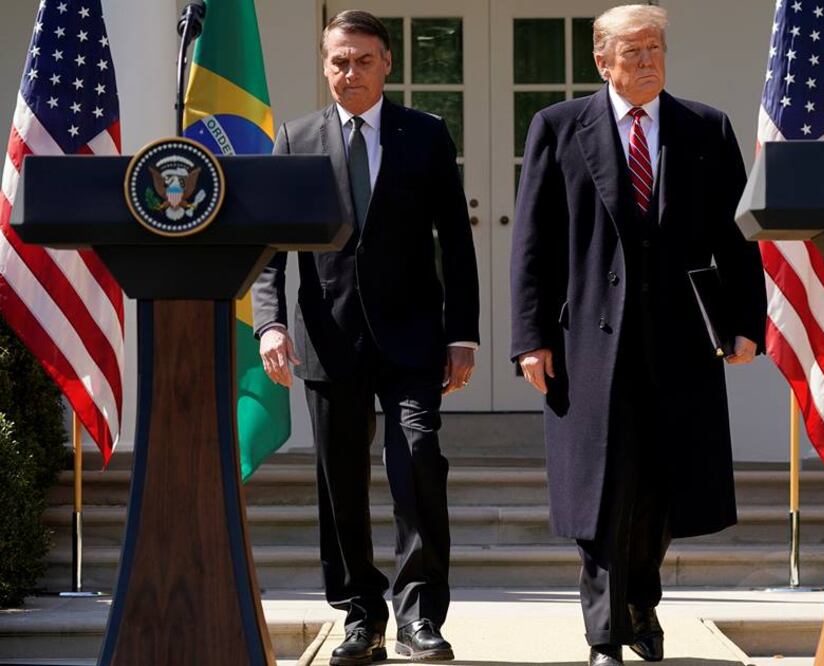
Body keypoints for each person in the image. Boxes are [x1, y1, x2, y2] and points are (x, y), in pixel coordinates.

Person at [509, 4, 766, 665]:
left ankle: (639, 604)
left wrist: (744, 323)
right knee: (599, 490)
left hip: (679, 341)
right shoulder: (559, 128)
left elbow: (735, 238)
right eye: (633, 51)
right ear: (601, 60)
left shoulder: (704, 128)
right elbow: (533, 242)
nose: (648, 60)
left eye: (655, 48)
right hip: (587, 343)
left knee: (660, 486)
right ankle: (603, 635)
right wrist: (529, 337)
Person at [252, 10, 479, 665]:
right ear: (325, 66)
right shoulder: (295, 138)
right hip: (327, 338)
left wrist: (462, 335)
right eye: (337, 62)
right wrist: (269, 322)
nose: (348, 73)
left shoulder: (425, 136)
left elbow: (455, 245)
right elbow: (270, 249)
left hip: (414, 339)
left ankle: (419, 619)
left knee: (417, 466)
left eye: (361, 61)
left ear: (386, 64)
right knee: (340, 484)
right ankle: (360, 617)